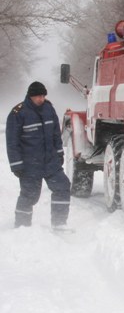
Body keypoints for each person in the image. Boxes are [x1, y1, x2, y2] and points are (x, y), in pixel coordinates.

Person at [6, 81, 71, 230]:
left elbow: (56, 134)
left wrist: (59, 153)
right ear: (30, 96)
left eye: (43, 96)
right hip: (30, 165)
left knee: (62, 187)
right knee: (29, 196)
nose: (41, 99)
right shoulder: (18, 113)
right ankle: (22, 227)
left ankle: (59, 223)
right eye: (38, 96)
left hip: (50, 162)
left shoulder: (49, 109)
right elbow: (12, 142)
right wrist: (16, 165)